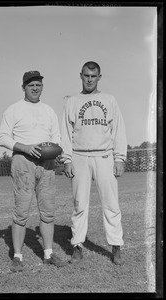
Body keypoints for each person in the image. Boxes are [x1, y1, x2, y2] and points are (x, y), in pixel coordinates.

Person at [0, 70, 65, 272]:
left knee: (48, 211)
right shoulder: (14, 110)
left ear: (42, 87)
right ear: (23, 87)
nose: (35, 88)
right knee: (21, 212)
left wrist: (54, 149)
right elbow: (2, 137)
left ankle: (48, 253)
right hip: (23, 162)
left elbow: (57, 137)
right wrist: (25, 147)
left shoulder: (49, 110)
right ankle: (17, 256)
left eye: (38, 84)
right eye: (31, 85)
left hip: (46, 164)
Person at [61, 61, 127, 265]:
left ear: (99, 77)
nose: (89, 79)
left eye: (93, 76)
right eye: (86, 75)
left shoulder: (109, 100)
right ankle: (77, 246)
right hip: (80, 156)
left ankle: (116, 246)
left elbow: (118, 130)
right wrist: (67, 159)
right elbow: (66, 133)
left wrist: (120, 158)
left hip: (104, 156)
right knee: (79, 204)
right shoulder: (72, 101)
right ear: (80, 75)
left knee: (111, 203)